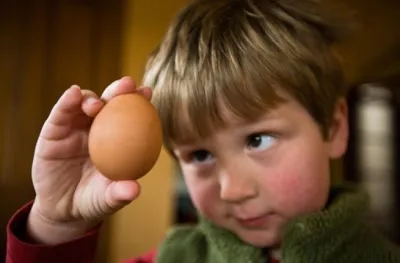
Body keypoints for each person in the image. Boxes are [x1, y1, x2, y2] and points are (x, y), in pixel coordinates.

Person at [5, 0, 400, 262]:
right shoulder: (174, 257)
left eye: (257, 139)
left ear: (334, 128)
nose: (231, 190)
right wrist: (57, 224)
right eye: (200, 155)